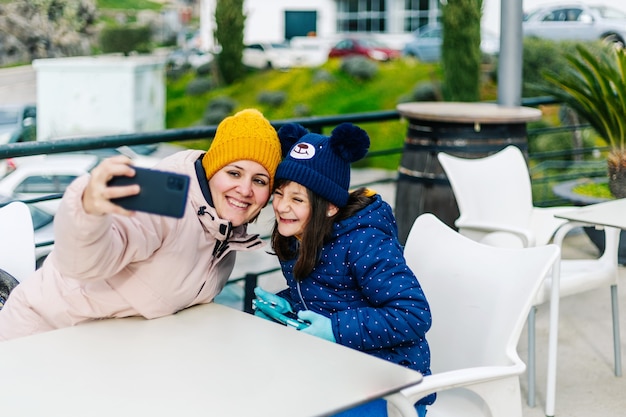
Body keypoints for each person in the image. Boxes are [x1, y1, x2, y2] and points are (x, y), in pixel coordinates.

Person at [0, 108, 283, 341]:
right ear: (211, 170)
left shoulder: (223, 229)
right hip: (40, 336)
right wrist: (88, 210)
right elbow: (83, 263)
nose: (245, 189)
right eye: (234, 172)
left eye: (259, 180)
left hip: (101, 348)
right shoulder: (162, 205)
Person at [254, 122, 435, 417]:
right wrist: (286, 306)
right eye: (278, 193)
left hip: (391, 385)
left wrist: (334, 330)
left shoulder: (364, 241)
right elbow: (328, 295)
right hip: (337, 368)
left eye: (297, 199)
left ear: (329, 207)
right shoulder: (299, 234)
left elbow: (413, 315)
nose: (282, 207)